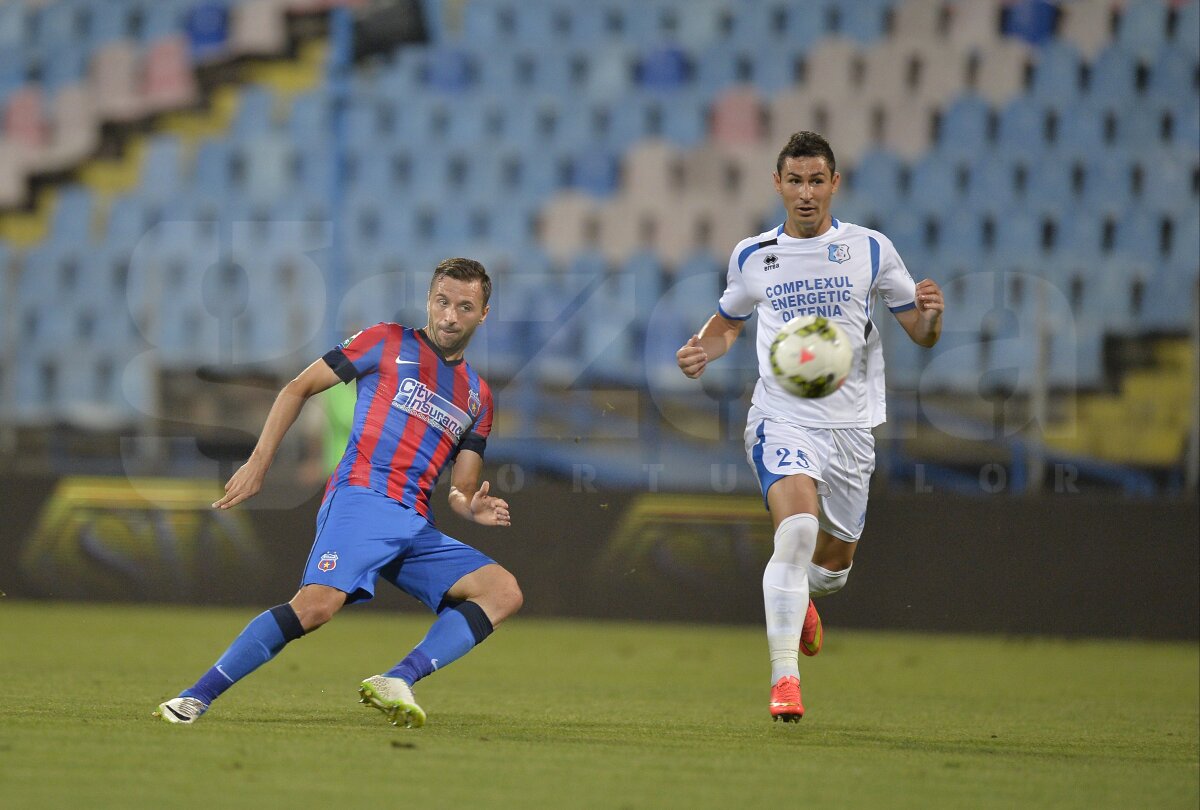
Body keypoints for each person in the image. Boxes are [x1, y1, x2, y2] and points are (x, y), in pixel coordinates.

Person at [156, 257, 523, 728]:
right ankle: (193, 698)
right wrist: (259, 461)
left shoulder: (478, 395)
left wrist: (471, 505)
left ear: (483, 314)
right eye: (442, 302)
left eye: (464, 307)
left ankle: (398, 678)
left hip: (414, 522)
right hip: (363, 498)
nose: (450, 316)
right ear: (429, 300)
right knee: (315, 608)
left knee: (502, 591)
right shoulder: (387, 341)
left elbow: (463, 485)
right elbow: (297, 387)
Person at [675, 131, 943, 722]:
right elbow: (727, 323)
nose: (805, 193)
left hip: (851, 429)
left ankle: (803, 604)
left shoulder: (871, 250)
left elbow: (918, 333)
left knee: (831, 569)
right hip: (781, 419)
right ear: (777, 184)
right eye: (794, 181)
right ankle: (784, 682)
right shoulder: (753, 255)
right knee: (795, 533)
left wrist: (929, 318)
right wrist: (701, 349)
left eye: (816, 181)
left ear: (834, 184)